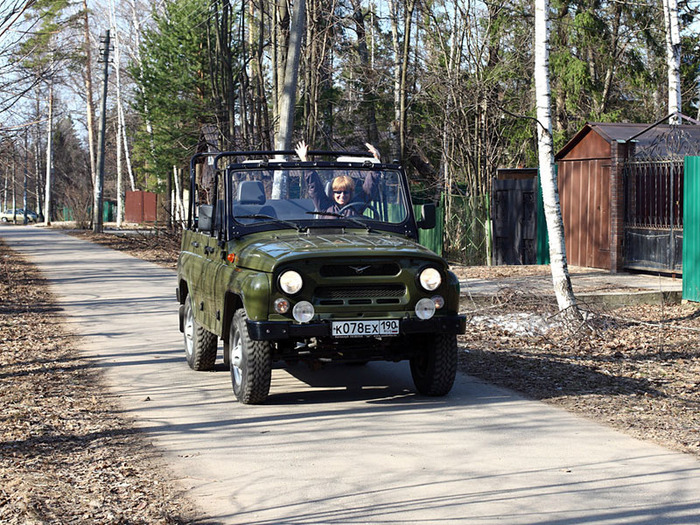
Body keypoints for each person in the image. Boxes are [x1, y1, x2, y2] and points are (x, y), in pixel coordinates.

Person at [295, 141, 380, 217]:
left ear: (351, 193)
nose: (342, 195)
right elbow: (314, 187)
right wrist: (304, 160)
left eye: (346, 192)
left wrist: (376, 160)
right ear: (332, 193)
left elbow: (370, 188)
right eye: (338, 192)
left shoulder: (356, 207)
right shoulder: (325, 206)